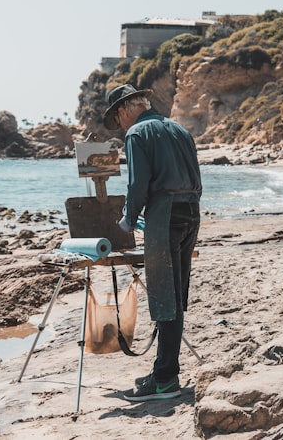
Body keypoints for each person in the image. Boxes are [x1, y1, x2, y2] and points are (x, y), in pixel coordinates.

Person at [104, 84, 202, 403]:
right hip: (191, 211)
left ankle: (164, 379)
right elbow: (196, 180)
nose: (121, 125)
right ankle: (165, 368)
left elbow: (137, 185)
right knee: (175, 293)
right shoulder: (179, 129)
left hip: (166, 215)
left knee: (163, 294)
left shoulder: (136, 134)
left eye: (118, 118)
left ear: (124, 110)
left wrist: (129, 220)